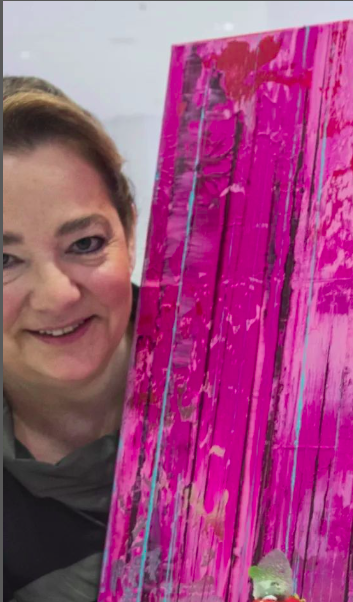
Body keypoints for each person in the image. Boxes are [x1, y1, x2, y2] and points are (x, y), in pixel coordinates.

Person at [3, 76, 138, 601]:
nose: (58, 296)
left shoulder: (272, 379)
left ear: (129, 229)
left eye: (84, 243)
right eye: (5, 260)